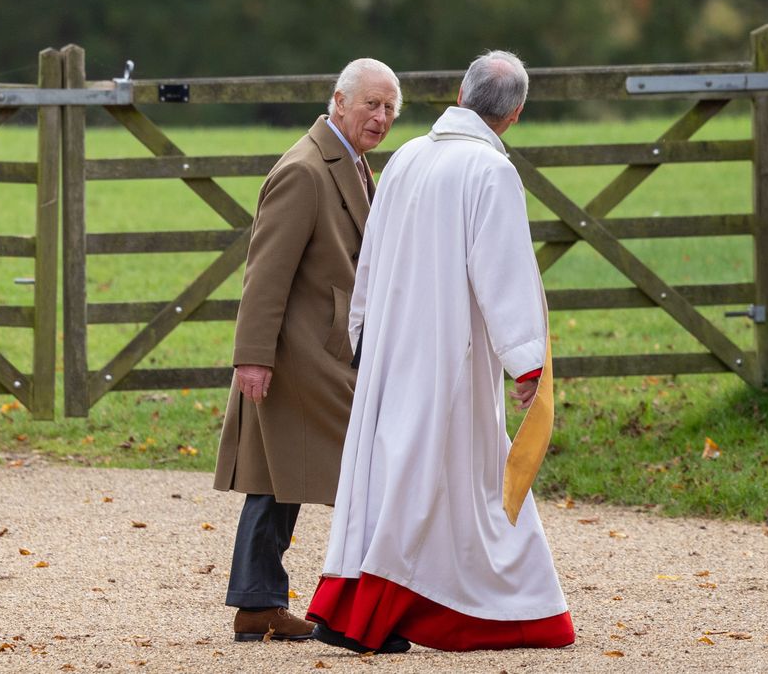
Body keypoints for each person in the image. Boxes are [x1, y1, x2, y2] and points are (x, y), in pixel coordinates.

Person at [306, 50, 575, 653]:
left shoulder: (405, 158)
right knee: (448, 480)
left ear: (460, 93)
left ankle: (351, 602)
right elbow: (503, 274)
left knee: (397, 474)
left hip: (389, 346)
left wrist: (362, 332)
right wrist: (527, 362)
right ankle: (405, 613)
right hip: (449, 353)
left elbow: (368, 258)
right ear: (515, 116)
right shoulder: (490, 172)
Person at [213, 58, 402, 643]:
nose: (382, 117)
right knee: (372, 466)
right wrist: (253, 357)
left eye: (391, 108)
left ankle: (257, 604)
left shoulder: (352, 162)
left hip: (326, 347)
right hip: (301, 356)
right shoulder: (304, 170)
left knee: (276, 473)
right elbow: (265, 274)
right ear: (339, 102)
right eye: (372, 103)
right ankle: (362, 610)